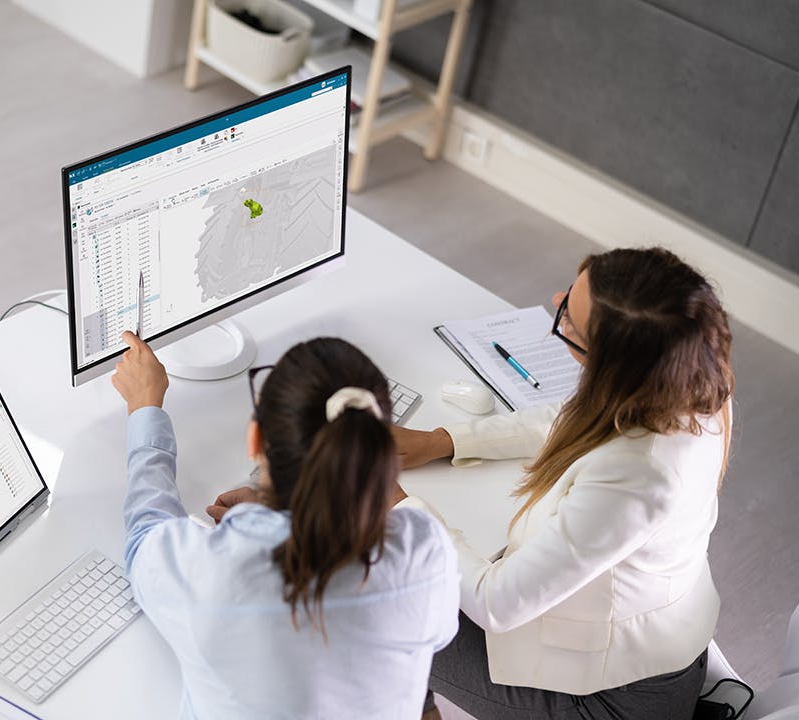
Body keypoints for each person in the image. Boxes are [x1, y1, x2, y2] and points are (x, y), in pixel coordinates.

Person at [395, 247, 734, 720]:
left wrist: (396, 506)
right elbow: (574, 418)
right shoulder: (687, 383)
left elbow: (498, 602)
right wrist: (443, 440)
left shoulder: (642, 476)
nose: (555, 299)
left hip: (613, 702)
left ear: (611, 363)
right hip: (638, 648)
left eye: (567, 318)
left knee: (377, 596)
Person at [112, 332, 459, 719]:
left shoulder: (215, 571)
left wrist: (144, 407)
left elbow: (145, 533)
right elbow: (434, 640)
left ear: (255, 438)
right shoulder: (425, 546)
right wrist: (272, 511)